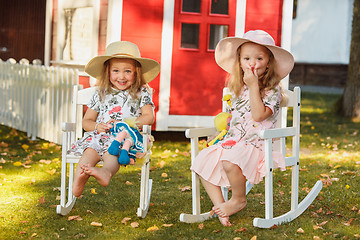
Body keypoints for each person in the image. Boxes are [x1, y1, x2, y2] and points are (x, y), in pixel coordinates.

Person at [191, 30, 294, 226]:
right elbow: (236, 119)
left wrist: (254, 85)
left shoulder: (273, 91)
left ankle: (238, 200)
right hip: (235, 141)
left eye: (259, 58)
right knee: (201, 162)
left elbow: (258, 115)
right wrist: (221, 133)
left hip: (258, 145)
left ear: (268, 63)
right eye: (247, 58)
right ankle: (222, 208)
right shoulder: (238, 89)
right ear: (239, 62)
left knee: (229, 162)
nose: (252, 63)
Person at [69, 41, 160, 198]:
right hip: (99, 136)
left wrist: (128, 124)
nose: (121, 76)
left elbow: (149, 116)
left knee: (112, 156)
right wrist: (97, 126)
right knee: (88, 153)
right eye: (116, 71)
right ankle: (80, 177)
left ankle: (105, 173)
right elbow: (87, 121)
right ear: (108, 72)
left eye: (128, 71)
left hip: (122, 138)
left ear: (136, 73)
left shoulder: (141, 93)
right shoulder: (100, 93)